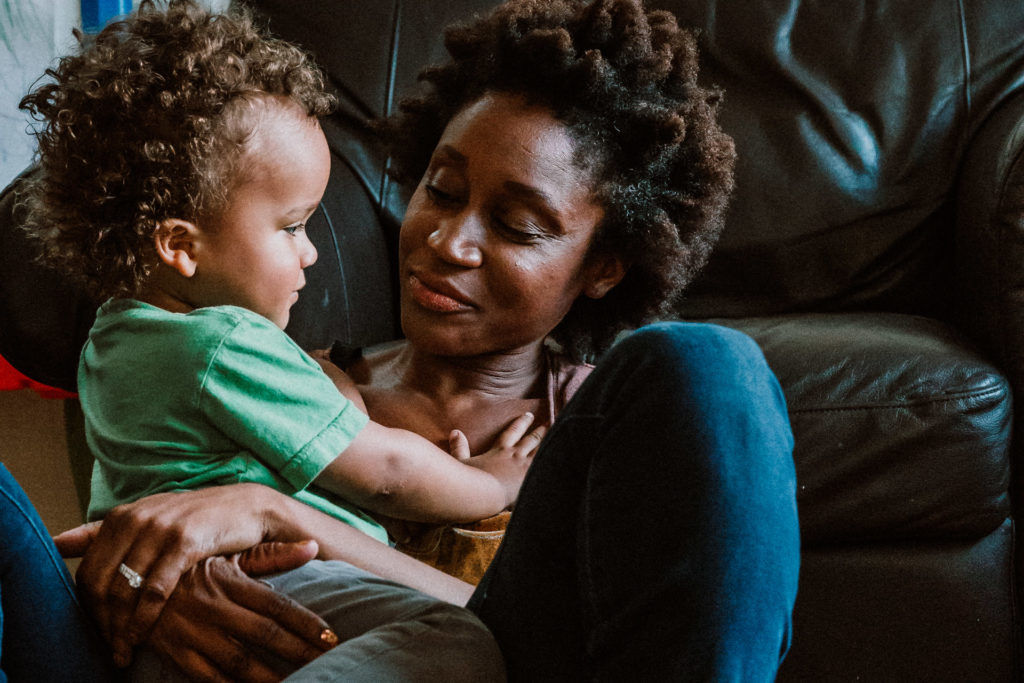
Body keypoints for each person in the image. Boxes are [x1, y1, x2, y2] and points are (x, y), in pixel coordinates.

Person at [8, 0, 801, 680]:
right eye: (441, 188)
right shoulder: (293, 378)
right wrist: (130, 587)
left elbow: (519, 640)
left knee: (712, 364)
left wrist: (276, 513)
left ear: (602, 268)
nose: (448, 243)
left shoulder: (624, 429)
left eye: (519, 225)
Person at [13, 0, 534, 679]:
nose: (312, 253)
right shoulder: (224, 341)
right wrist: (492, 479)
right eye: (291, 227)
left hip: (159, 621)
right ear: (180, 246)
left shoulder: (112, 343)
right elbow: (390, 471)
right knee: (453, 641)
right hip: (268, 590)